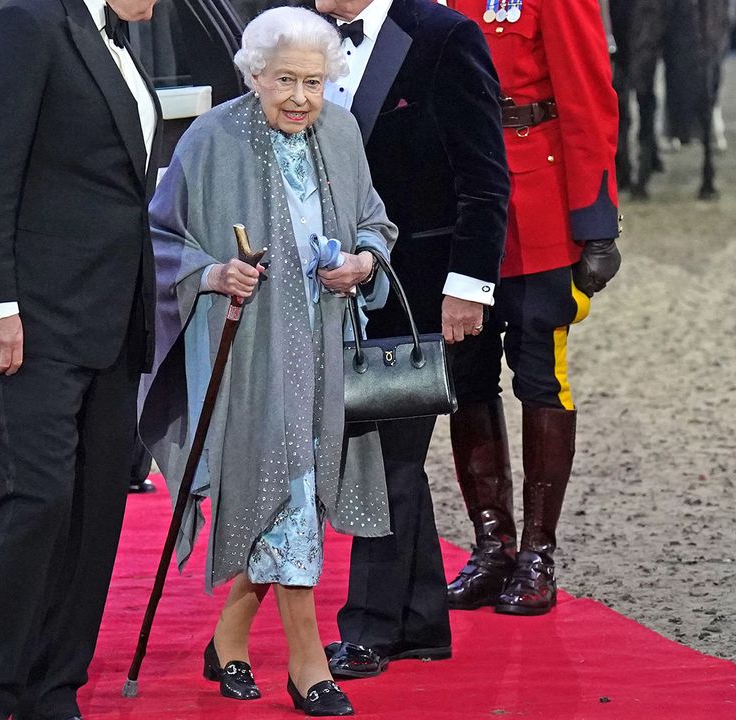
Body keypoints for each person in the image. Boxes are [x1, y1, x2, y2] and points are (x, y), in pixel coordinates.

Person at [139, 7, 398, 715]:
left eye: (313, 82)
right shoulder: (211, 138)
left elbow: (375, 218)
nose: (299, 98)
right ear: (253, 75)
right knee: (284, 489)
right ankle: (309, 665)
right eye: (284, 80)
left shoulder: (341, 132)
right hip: (249, 352)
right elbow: (159, 239)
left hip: (326, 348)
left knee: (300, 493)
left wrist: (363, 261)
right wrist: (214, 273)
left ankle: (228, 640)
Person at [0, 0, 161, 718]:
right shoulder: (28, 27)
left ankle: (51, 688)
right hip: (29, 321)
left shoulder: (123, 42)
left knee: (96, 512)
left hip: (109, 318)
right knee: (37, 498)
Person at [314, 0, 511, 680]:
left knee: (382, 456)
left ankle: (367, 628)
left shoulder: (446, 36)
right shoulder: (303, 38)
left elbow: (485, 179)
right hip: (330, 296)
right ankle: (420, 619)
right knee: (384, 452)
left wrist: (469, 287)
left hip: (419, 292)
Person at [442, 0, 621, 616]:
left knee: (541, 377)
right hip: (457, 208)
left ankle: (538, 553)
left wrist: (595, 222)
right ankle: (492, 547)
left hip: (533, 203)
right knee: (465, 377)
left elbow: (587, 94)